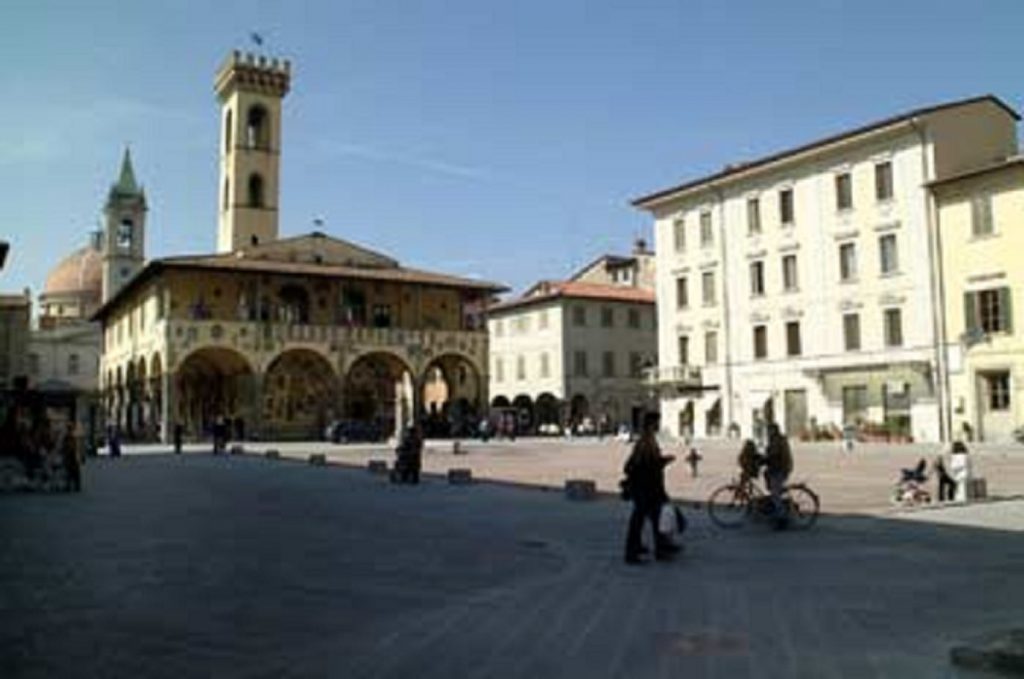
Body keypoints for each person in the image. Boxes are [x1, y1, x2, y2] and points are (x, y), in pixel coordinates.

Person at [622, 412, 678, 564]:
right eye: (657, 422)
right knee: (644, 519)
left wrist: (662, 460)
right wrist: (664, 461)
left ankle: (651, 547)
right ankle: (636, 553)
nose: (658, 425)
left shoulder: (647, 439)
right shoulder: (646, 441)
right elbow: (648, 464)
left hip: (647, 487)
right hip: (646, 487)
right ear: (651, 424)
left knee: (647, 519)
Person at [763, 423, 793, 529]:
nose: (768, 432)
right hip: (776, 467)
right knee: (771, 485)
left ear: (774, 431)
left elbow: (774, 455)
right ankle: (775, 510)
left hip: (780, 468)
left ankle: (782, 519)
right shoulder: (775, 439)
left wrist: (764, 460)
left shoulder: (777, 440)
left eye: (769, 430)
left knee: (775, 495)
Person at [60, 422, 82, 492]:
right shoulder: (69, 437)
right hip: (70, 456)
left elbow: (74, 447)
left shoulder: (70, 437)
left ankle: (73, 485)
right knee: (72, 471)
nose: (69, 430)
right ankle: (73, 485)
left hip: (71, 456)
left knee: (72, 471)